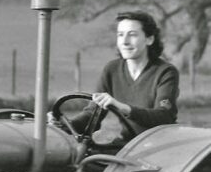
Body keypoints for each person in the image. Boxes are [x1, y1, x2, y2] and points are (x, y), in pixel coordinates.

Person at [72, 11, 179, 146]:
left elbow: (163, 116)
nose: (125, 42)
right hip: (128, 145)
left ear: (149, 39)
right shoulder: (112, 69)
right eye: (120, 35)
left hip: (159, 148)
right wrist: (64, 124)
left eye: (132, 35)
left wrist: (122, 107)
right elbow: (93, 114)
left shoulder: (166, 72)